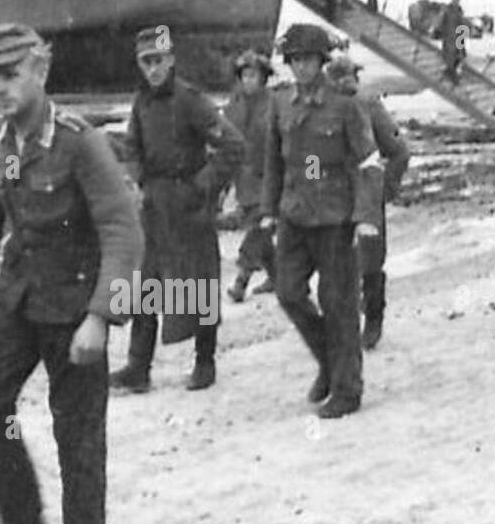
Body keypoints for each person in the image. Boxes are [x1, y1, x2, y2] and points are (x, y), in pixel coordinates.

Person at [0, 23, 143, 524]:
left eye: (12, 75)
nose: (1, 88)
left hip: (74, 305)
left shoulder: (79, 142)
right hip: (18, 297)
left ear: (41, 72)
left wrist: (102, 317)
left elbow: (123, 231)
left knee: (77, 431)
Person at [259, 23, 386, 417]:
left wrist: (366, 217)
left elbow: (368, 162)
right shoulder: (281, 103)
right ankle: (330, 362)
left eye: (308, 60)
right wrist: (267, 210)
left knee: (338, 303)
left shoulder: (345, 105)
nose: (300, 67)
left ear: (321, 62)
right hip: (295, 214)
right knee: (288, 292)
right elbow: (273, 162)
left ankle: (347, 390)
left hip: (334, 217)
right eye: (294, 60)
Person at [111, 27, 243, 393]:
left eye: (158, 61)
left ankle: (205, 362)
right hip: (154, 206)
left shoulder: (191, 101)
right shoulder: (141, 103)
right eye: (146, 62)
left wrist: (203, 185)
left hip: (189, 206)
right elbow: (131, 145)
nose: (152, 69)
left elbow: (233, 145)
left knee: (199, 283)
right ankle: (138, 368)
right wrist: (137, 178)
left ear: (170, 60)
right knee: (145, 285)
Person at [323, 54, 410, 348]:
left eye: (346, 79)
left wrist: (385, 189)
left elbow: (398, 151)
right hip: (333, 198)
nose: (342, 85)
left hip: (365, 193)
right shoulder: (321, 109)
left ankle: (373, 319)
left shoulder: (368, 104)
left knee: (370, 262)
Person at [224, 49, 278, 302]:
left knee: (257, 231)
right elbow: (224, 139)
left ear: (263, 78)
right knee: (261, 234)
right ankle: (280, 278)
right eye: (244, 75)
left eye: (253, 75)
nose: (248, 81)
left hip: (269, 179)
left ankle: (241, 282)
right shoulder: (233, 105)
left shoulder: (274, 105)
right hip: (243, 180)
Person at [439, 0, 467, 83]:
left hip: (458, 38)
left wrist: (462, 44)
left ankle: (452, 76)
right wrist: (441, 33)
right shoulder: (447, 10)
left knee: (458, 58)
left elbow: (462, 26)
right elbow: (441, 23)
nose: (455, 0)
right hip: (449, 38)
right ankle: (451, 76)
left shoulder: (460, 11)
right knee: (449, 58)